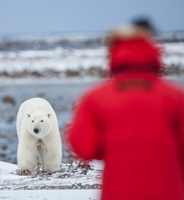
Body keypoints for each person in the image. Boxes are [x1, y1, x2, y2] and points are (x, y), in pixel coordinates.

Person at [66, 22, 184, 200]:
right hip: (168, 192)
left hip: (118, 192)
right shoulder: (175, 96)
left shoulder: (96, 98)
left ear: (113, 51)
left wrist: (114, 148)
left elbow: (83, 148)